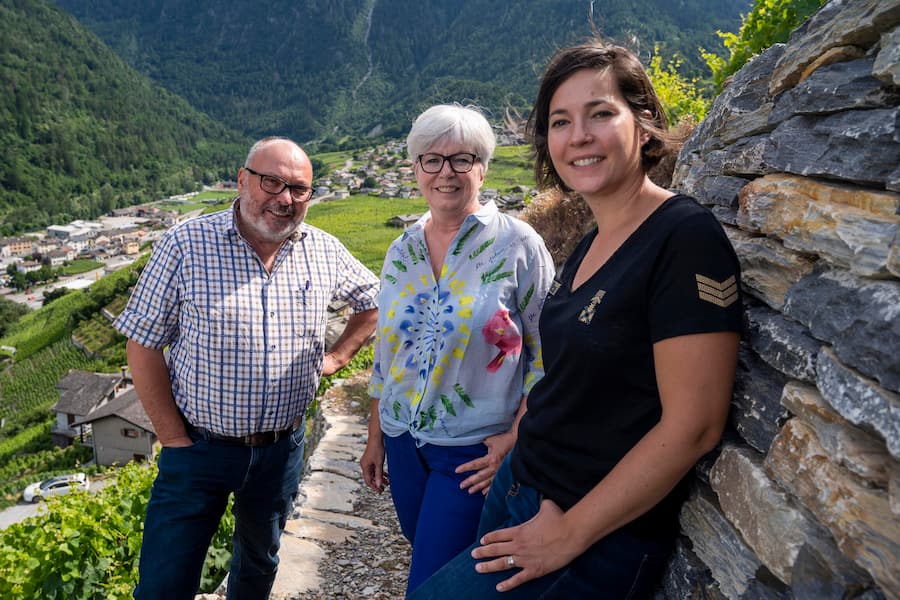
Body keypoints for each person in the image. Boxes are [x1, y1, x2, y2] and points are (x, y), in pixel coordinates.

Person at [410, 39, 743, 599]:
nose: (578, 136)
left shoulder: (684, 238)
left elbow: (695, 425)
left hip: (590, 533)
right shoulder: (591, 242)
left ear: (644, 124)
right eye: (560, 121)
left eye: (601, 113)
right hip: (521, 489)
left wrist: (569, 535)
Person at [113, 137, 379, 600]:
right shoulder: (186, 245)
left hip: (280, 450)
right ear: (242, 180)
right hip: (198, 450)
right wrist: (173, 437)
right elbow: (143, 345)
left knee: (259, 565)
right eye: (271, 182)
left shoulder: (324, 250)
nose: (284, 198)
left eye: (299, 189)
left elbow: (375, 303)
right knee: (164, 581)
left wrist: (336, 358)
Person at [360, 104, 555, 596]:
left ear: (483, 168)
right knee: (429, 553)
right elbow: (388, 352)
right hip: (403, 443)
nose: (446, 172)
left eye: (462, 159)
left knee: (429, 586)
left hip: (472, 453)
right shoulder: (401, 250)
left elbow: (548, 354)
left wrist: (516, 436)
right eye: (432, 159)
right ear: (415, 168)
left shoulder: (518, 245)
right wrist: (375, 434)